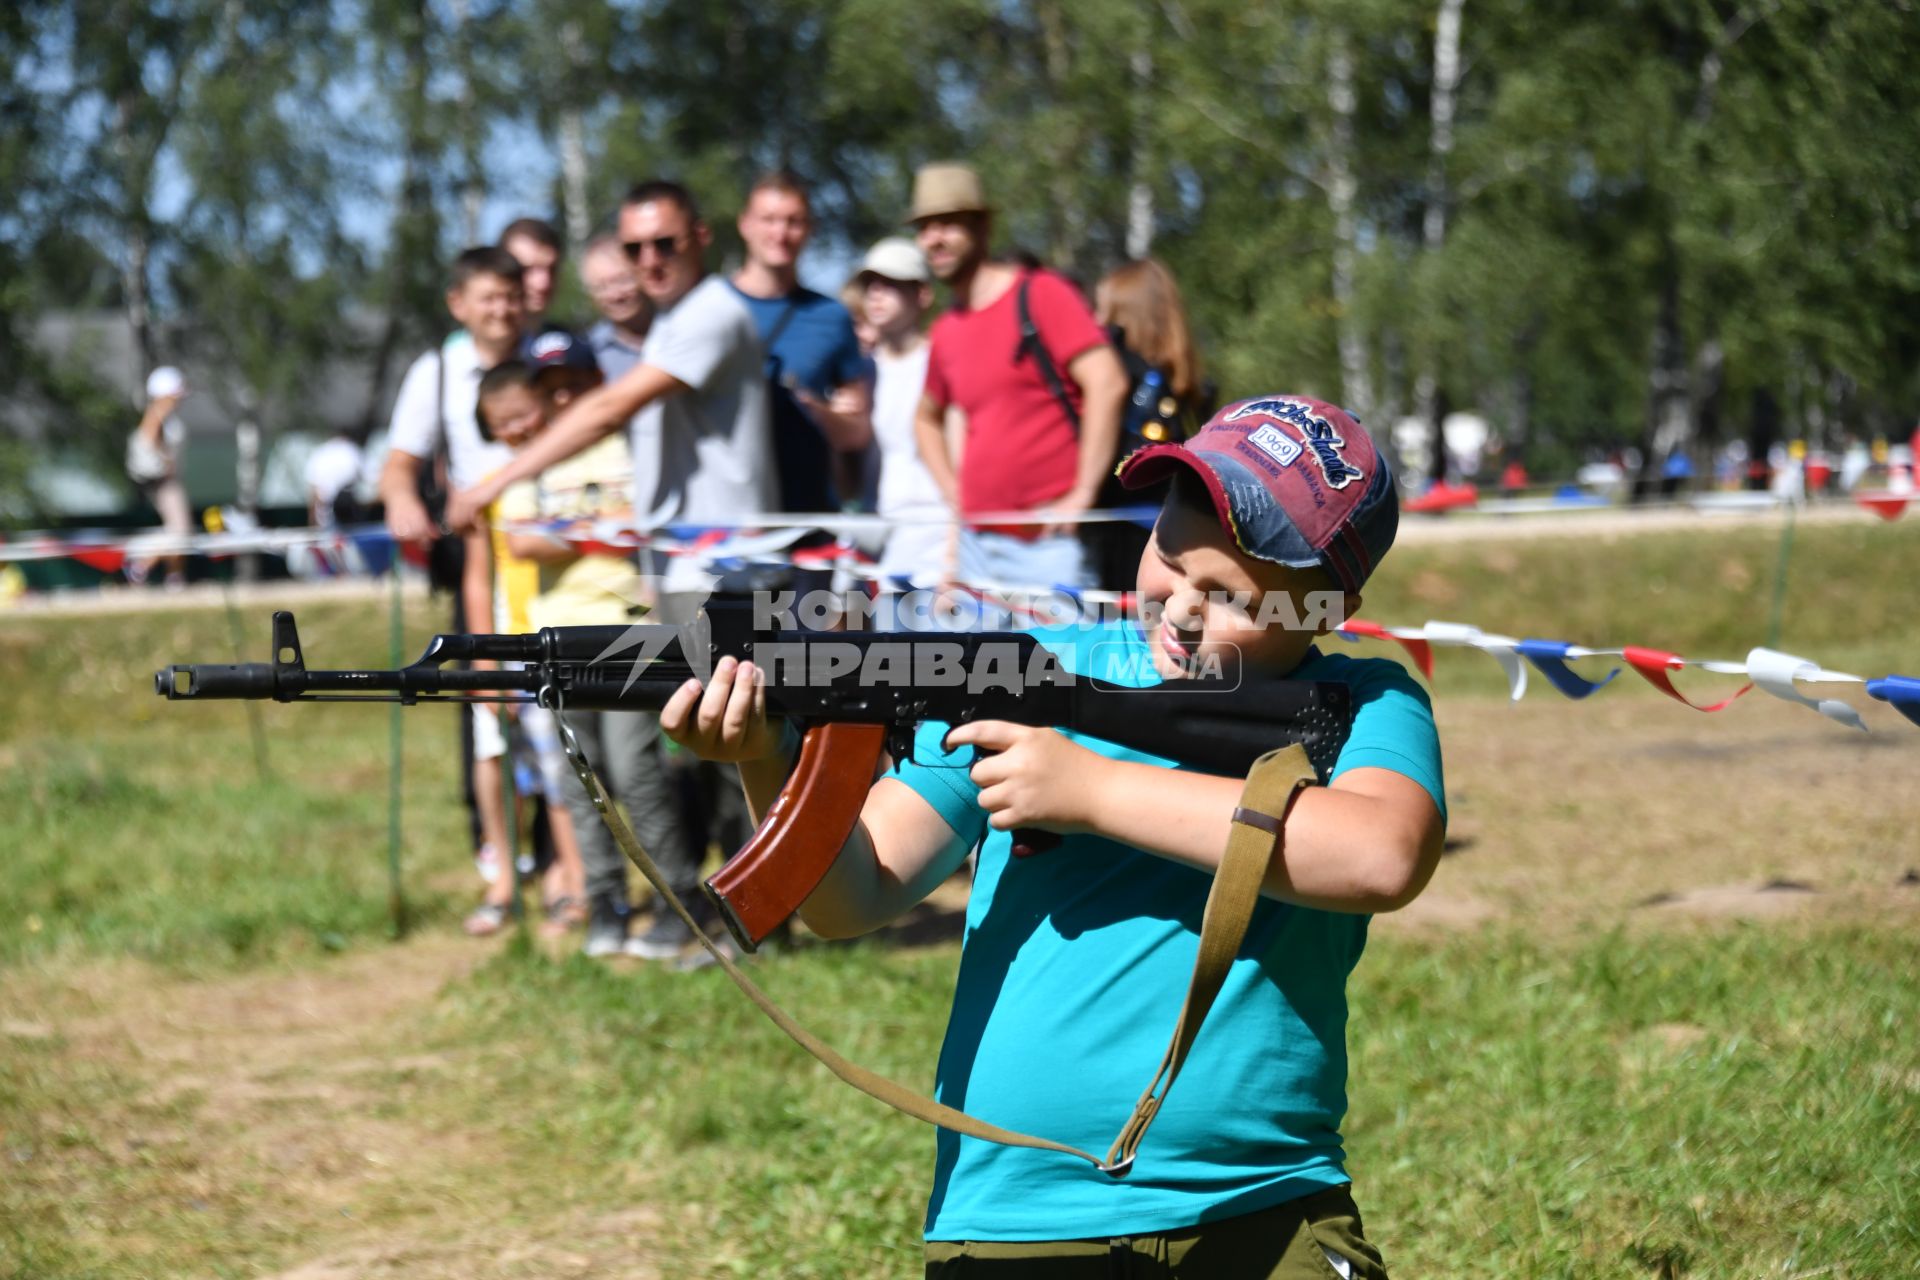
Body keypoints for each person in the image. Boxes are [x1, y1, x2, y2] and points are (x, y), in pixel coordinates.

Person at [662, 395, 1442, 1277]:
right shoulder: (1031, 669)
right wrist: (766, 755)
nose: (1180, 608)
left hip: (1262, 1212)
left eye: (1228, 596)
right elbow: (853, 894)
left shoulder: (1367, 698)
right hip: (1017, 1220)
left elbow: (1381, 854)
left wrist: (1091, 790)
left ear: (1329, 609)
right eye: (1169, 560)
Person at [377, 245, 528, 878]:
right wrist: (403, 501)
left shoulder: (546, 360)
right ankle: (500, 854)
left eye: (509, 296)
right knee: (486, 697)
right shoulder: (436, 372)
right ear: (459, 304)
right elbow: (399, 463)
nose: (501, 310)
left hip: (542, 541)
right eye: (487, 298)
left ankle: (563, 861)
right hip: (480, 550)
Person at [909, 162, 1129, 593]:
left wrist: (1082, 493)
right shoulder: (946, 328)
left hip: (1051, 549)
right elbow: (924, 418)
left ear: (982, 226)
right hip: (976, 549)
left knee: (1060, 663)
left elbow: (1108, 382)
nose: (934, 238)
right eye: (924, 227)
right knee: (983, 665)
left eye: (948, 223)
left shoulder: (1041, 293)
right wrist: (957, 496)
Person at [727, 170, 873, 512]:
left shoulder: (831, 316)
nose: (781, 233)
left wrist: (814, 411)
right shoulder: (710, 307)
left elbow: (856, 433)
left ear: (810, 229)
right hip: (727, 517)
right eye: (769, 220)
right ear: (745, 225)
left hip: (807, 517)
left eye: (794, 222)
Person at [1089, 258, 1215, 589]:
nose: (1096, 320)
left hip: (1122, 535)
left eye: (1104, 310)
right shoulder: (1189, 383)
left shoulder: (1121, 371)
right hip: (1174, 529)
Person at [854, 237, 951, 588]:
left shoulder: (943, 363)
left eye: (890, 284)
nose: (876, 294)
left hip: (942, 549)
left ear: (922, 294)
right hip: (885, 549)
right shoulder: (859, 371)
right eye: (869, 284)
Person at [124, 365, 194, 588]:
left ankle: (174, 576)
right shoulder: (159, 412)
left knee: (178, 530)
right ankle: (140, 564)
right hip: (164, 482)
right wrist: (165, 460)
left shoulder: (164, 414)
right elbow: (148, 437)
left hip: (165, 481)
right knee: (181, 532)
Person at [500, 216, 565, 334]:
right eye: (527, 270)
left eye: (551, 269)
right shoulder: (460, 351)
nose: (543, 284)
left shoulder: (573, 347)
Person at [305, 427, 367, 527]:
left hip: (327, 517)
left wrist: (312, 521)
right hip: (347, 517)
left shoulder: (319, 453)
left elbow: (314, 492)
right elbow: (369, 480)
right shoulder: (351, 450)